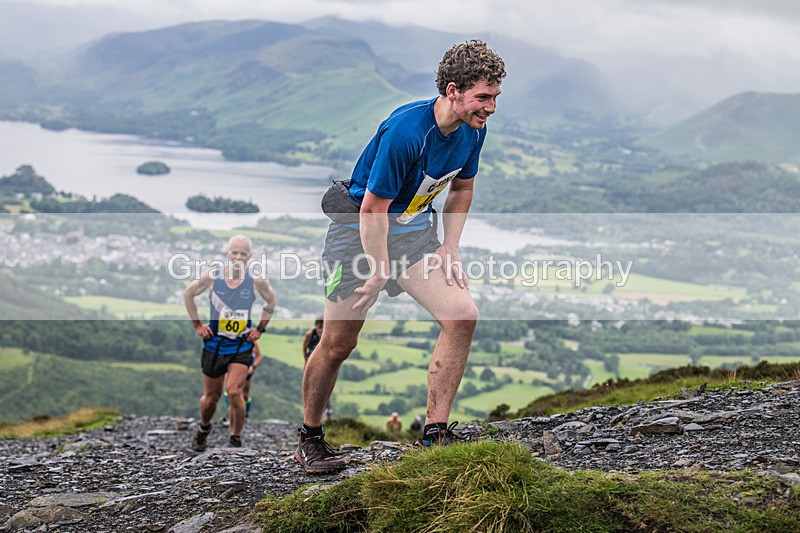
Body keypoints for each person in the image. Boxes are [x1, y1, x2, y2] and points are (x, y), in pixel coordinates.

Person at [294, 40, 506, 474]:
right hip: (357, 238)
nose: (491, 108)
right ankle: (309, 437)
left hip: (412, 239)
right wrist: (377, 269)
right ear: (453, 91)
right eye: (483, 97)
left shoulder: (474, 130)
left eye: (495, 97)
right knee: (337, 344)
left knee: (462, 316)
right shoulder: (407, 132)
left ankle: (436, 432)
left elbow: (462, 188)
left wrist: (449, 246)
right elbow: (372, 209)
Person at [184, 234, 277, 451]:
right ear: (227, 254)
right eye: (234, 252)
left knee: (234, 391)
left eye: (243, 253)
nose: (238, 256)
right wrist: (198, 325)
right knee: (211, 399)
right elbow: (188, 294)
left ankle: (235, 437)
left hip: (241, 345)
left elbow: (271, 300)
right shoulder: (213, 275)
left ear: (249, 256)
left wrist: (260, 328)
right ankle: (204, 428)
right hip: (214, 344)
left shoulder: (256, 280)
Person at [302, 317, 333, 422]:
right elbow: (304, 347)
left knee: (324, 389)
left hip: (324, 365)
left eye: (323, 327)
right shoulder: (310, 334)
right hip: (311, 364)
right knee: (311, 388)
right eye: (319, 327)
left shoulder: (327, 335)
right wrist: (306, 361)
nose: (321, 329)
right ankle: (310, 417)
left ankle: (327, 415)